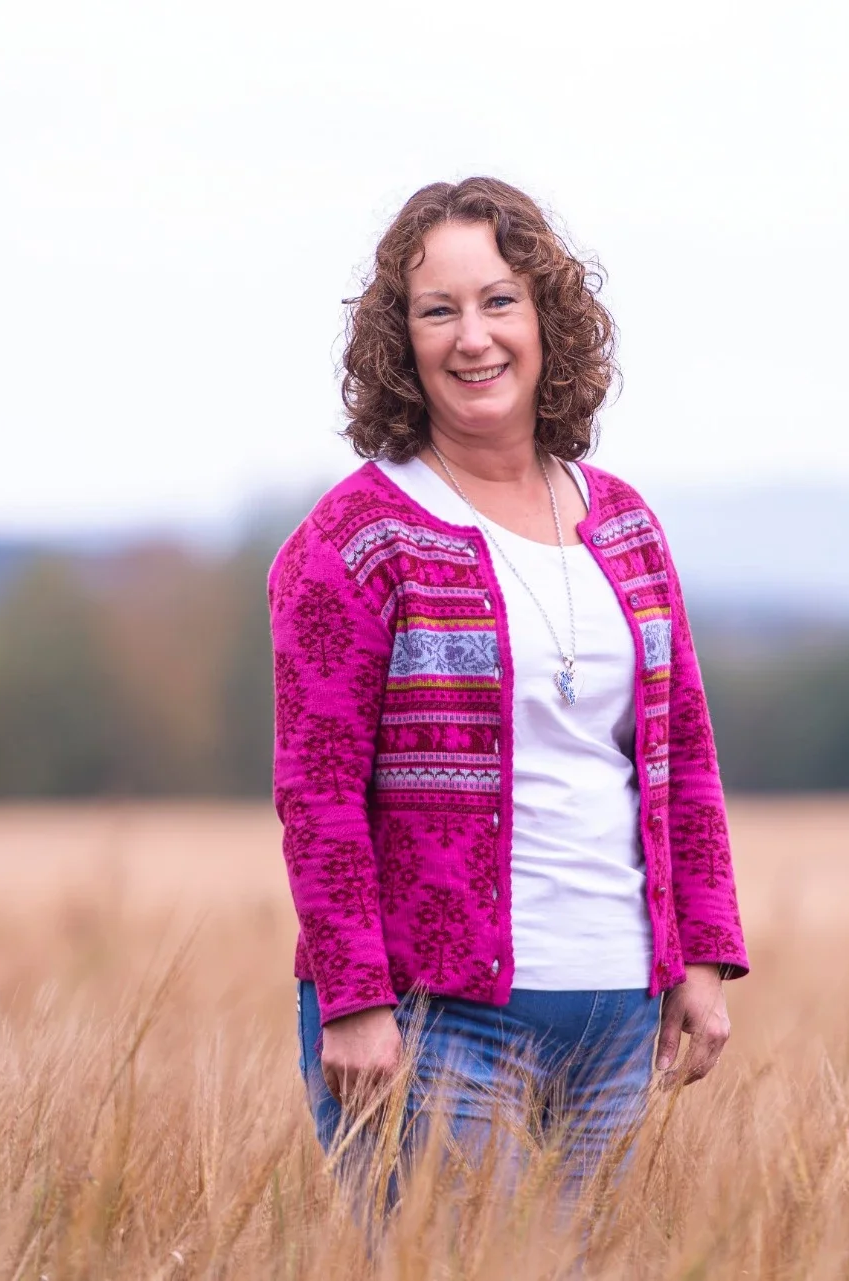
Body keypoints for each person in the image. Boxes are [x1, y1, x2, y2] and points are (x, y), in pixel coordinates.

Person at [268, 176, 748, 1206]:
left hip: (619, 1012)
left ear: (547, 321)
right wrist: (352, 997)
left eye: (499, 301)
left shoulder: (627, 525)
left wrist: (704, 956)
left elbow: (686, 760)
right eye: (437, 310)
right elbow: (318, 790)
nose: (473, 337)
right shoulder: (355, 539)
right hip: (438, 1020)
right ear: (400, 343)